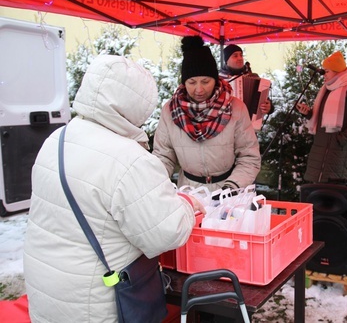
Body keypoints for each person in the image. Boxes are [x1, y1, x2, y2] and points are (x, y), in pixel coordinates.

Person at [24, 55, 204, 323]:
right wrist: (187, 205)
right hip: (95, 301)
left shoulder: (57, 139)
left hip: (48, 290)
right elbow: (166, 234)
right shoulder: (130, 159)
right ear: (139, 105)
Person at [153, 36, 261, 192]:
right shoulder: (170, 111)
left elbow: (249, 157)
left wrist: (232, 187)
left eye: (205, 82)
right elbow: (163, 156)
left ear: (215, 80)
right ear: (184, 82)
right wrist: (153, 183)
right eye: (192, 82)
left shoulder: (236, 108)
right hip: (189, 191)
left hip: (231, 191)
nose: (199, 89)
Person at [296, 51, 347, 184]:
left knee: (332, 194)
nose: (323, 75)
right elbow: (322, 118)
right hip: (320, 150)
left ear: (336, 71)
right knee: (315, 195)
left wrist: (341, 139)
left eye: (327, 71)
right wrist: (308, 113)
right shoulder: (327, 89)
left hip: (338, 154)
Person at [219, 43, 274, 115]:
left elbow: (264, 101)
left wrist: (269, 107)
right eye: (235, 56)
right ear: (227, 60)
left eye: (241, 55)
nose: (239, 58)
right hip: (225, 123)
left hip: (250, 124)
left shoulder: (253, 77)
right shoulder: (219, 80)